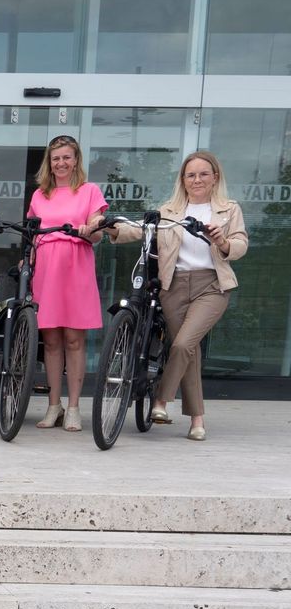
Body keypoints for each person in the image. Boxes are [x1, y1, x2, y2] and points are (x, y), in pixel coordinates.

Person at [102, 151, 247, 441]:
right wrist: (110, 226)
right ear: (183, 179)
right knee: (187, 352)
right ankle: (197, 420)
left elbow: (241, 243)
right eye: (191, 175)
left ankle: (161, 401)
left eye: (203, 174)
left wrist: (223, 241)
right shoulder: (170, 210)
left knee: (182, 344)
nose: (197, 180)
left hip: (212, 286)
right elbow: (142, 229)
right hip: (174, 286)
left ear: (215, 177)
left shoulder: (229, 209)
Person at [28, 135, 107, 432]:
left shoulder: (89, 191)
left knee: (74, 339)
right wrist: (28, 260)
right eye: (56, 158)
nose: (61, 163)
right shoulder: (39, 195)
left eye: (66, 157)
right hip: (46, 267)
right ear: (50, 162)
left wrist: (90, 230)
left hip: (76, 264)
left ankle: (73, 407)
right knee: (50, 341)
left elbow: (98, 234)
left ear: (76, 161)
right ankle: (53, 405)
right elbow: (33, 234)